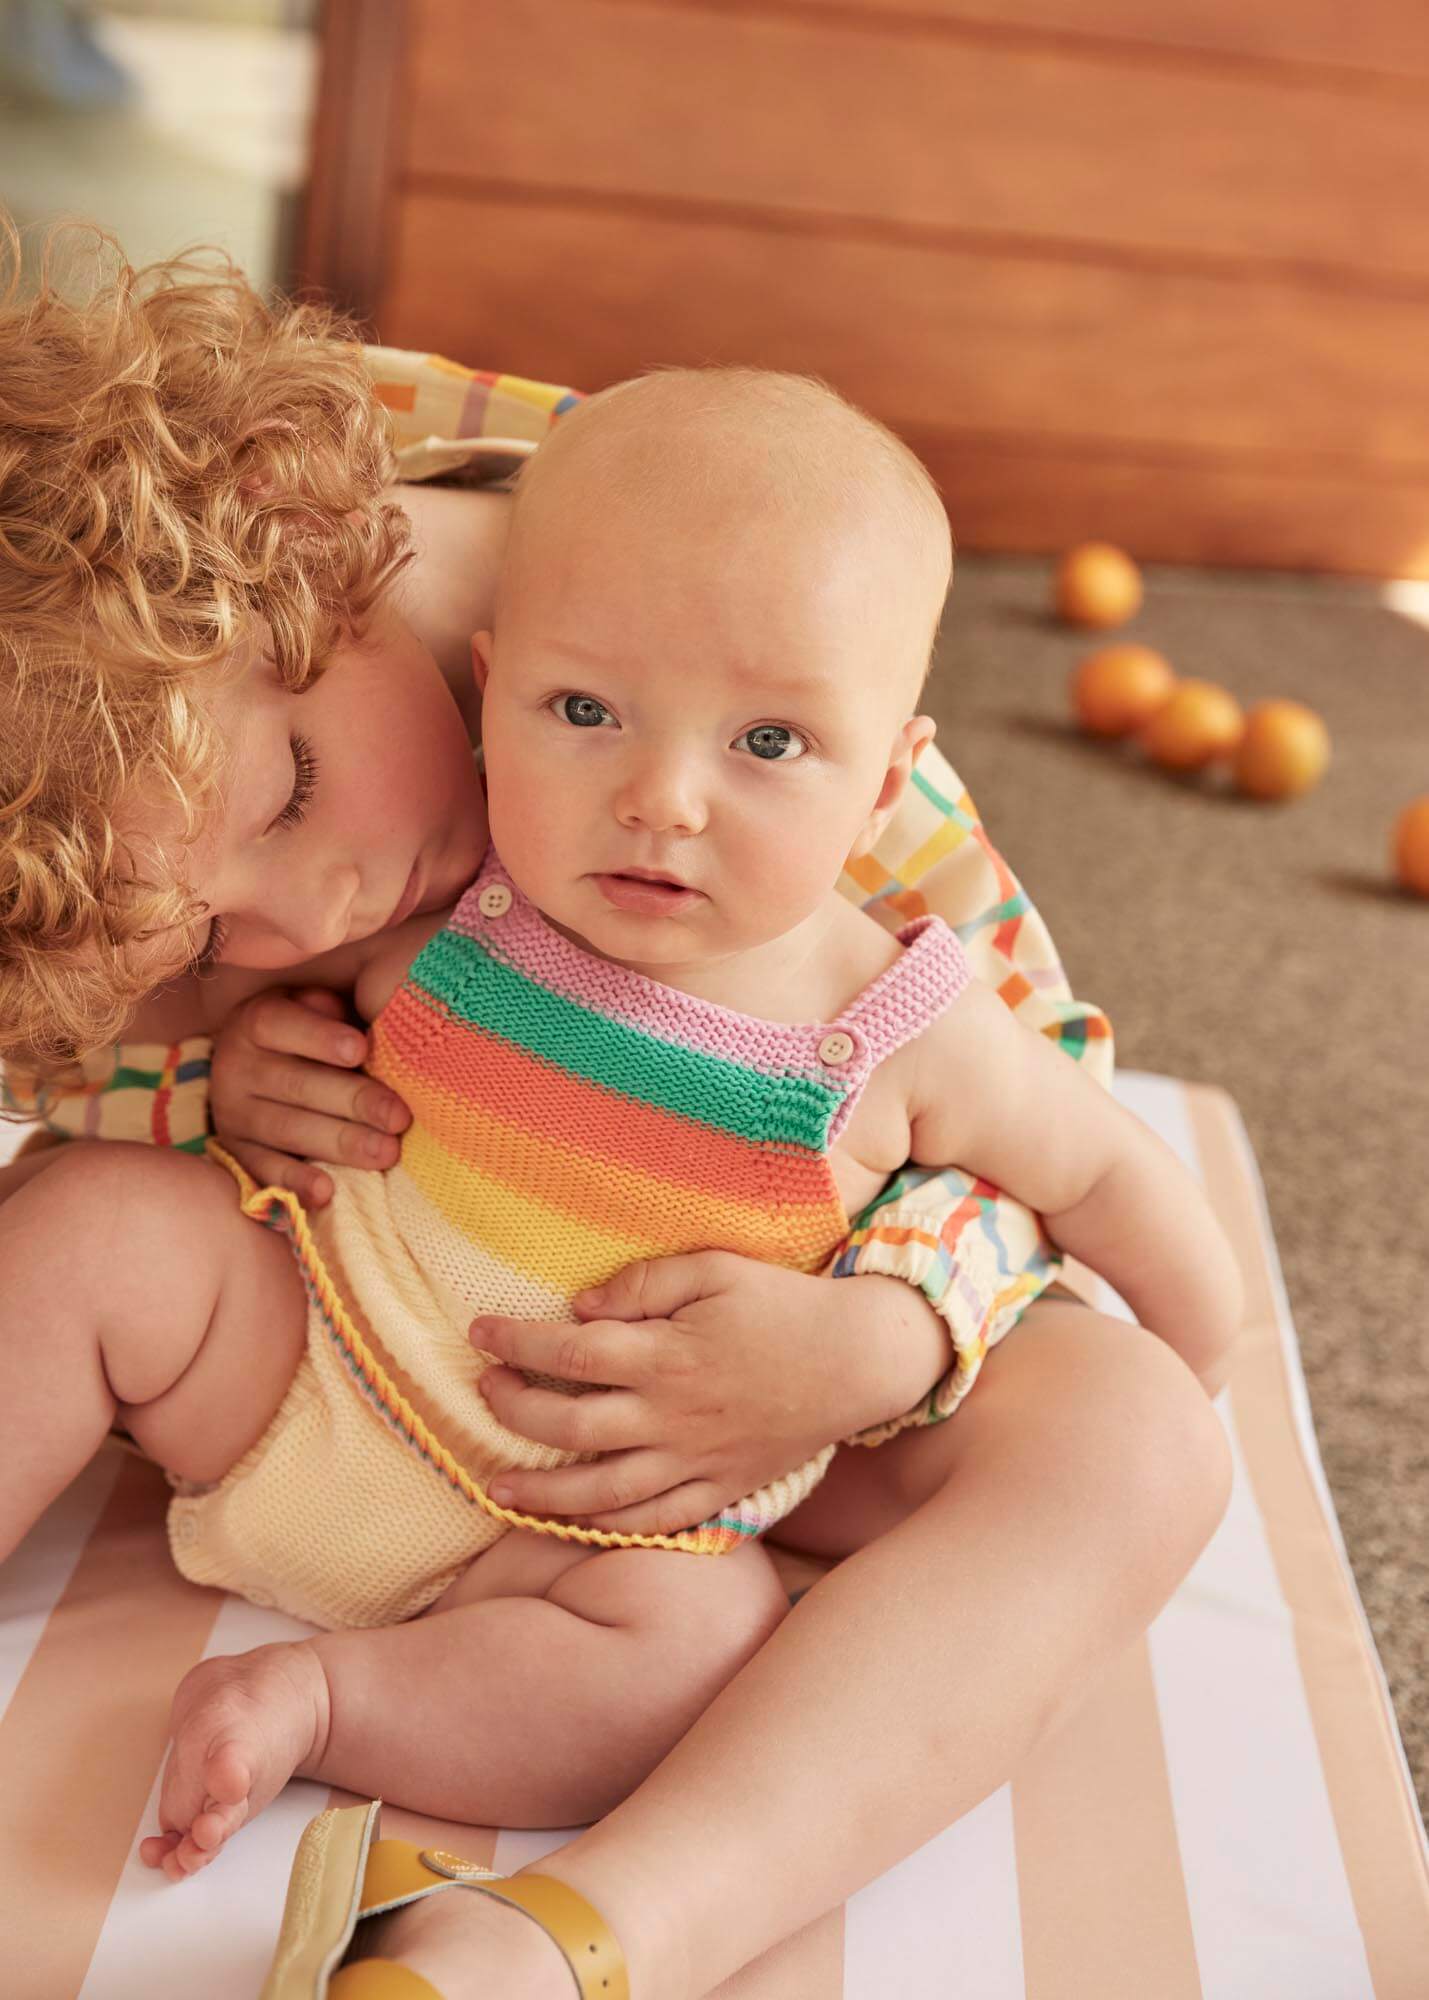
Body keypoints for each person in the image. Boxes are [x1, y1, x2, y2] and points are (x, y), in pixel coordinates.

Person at [0, 234, 1236, 2000]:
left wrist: (878, 1341)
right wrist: (204, 1066)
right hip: (335, 1337)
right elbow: (62, 1060)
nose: (322, 904)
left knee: (1135, 1446)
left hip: (675, 1475)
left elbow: (1036, 1112)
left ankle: (598, 1932)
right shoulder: (128, 735)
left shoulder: (756, 638)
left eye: (288, 792)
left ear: (312, 540)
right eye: (206, 927)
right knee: (67, 1238)